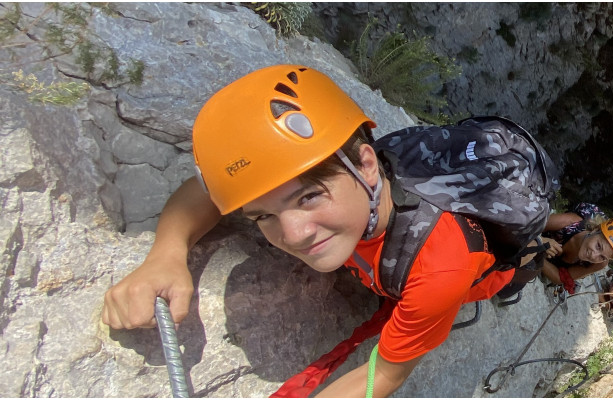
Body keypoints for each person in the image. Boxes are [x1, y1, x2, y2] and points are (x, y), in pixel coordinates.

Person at [101, 65, 536, 397]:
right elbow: (203, 192)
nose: (293, 235)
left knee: (495, 279)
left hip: (465, 274)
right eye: (261, 216)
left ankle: (518, 271)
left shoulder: (439, 272)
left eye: (308, 197)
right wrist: (166, 255)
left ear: (367, 164)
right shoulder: (345, 174)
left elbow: (383, 372)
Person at [494, 203, 613, 302]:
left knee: (506, 289)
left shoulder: (600, 263)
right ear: (595, 230)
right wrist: (540, 241)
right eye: (598, 246)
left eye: (602, 256)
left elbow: (561, 278)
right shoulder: (569, 223)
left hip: (539, 253)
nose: (594, 255)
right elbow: (527, 227)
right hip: (536, 240)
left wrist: (539, 251)